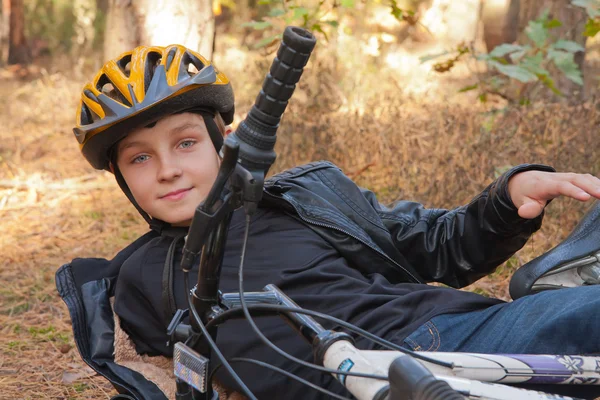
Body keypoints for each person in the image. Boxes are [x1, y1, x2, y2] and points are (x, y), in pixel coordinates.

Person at [57, 43, 600, 400]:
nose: (169, 169)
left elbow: (436, 245)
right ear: (122, 179)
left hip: (439, 335)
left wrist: (506, 198)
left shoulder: (305, 198)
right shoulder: (132, 278)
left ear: (226, 141)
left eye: (185, 142)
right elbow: (162, 376)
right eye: (140, 158)